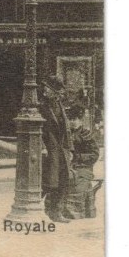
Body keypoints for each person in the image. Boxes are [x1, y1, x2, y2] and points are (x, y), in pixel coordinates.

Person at [40, 76, 73, 223]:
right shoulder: (41, 105)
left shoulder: (59, 105)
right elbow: (37, 128)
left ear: (55, 92)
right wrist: (41, 146)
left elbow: (66, 129)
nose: (45, 90)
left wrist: (70, 149)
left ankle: (56, 211)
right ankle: (42, 210)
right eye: (46, 87)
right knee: (48, 181)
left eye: (48, 88)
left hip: (61, 148)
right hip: (49, 148)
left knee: (63, 180)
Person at [64, 105, 100, 219]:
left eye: (75, 119)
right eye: (70, 119)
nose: (72, 122)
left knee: (77, 182)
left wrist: (77, 157)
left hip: (84, 167)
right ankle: (62, 208)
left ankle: (76, 210)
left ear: (80, 120)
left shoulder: (87, 135)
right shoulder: (66, 134)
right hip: (68, 166)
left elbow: (94, 155)